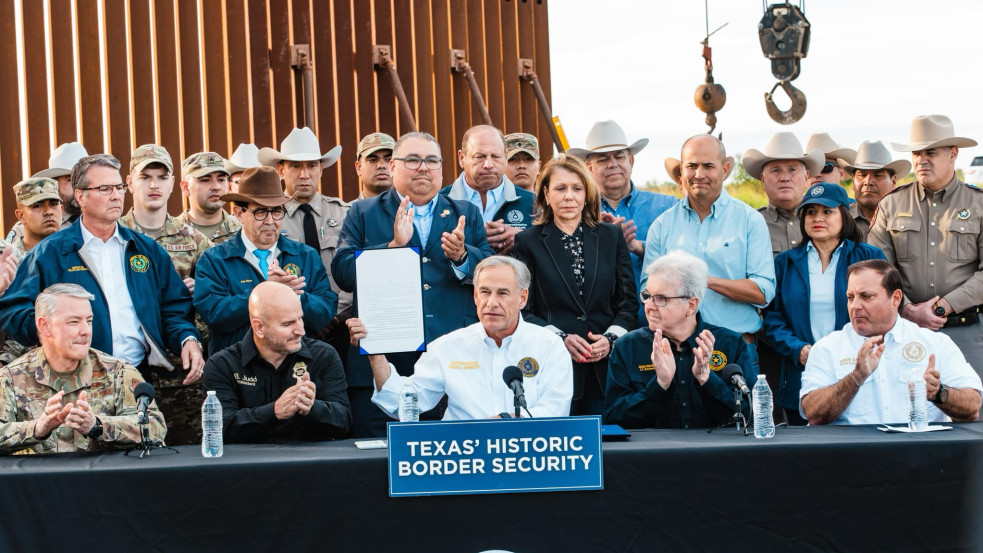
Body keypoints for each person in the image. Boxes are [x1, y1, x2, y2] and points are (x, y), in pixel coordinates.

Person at [332, 131, 494, 437]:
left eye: (432, 160)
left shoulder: (465, 213)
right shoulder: (363, 212)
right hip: (382, 362)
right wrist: (393, 247)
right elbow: (342, 272)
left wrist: (461, 256)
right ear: (393, 166)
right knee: (377, 466)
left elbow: (490, 272)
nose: (423, 168)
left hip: (452, 363)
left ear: (442, 169)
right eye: (413, 160)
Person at [0, 154, 204, 383]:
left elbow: (173, 309)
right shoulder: (50, 252)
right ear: (81, 196)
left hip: (137, 377)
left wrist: (188, 339)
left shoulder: (146, 250)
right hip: (71, 381)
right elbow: (14, 309)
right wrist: (49, 331)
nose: (116, 196)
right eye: (105, 189)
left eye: (119, 187)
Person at [349, 256, 572, 420]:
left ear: (522, 298)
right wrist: (375, 355)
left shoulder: (548, 345)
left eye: (502, 293)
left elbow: (555, 409)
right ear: (475, 295)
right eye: (484, 292)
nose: (491, 302)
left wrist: (507, 421)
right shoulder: (448, 346)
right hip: (464, 460)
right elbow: (407, 404)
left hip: (528, 458)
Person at [511, 153, 637, 415]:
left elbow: (628, 304)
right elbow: (523, 310)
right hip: (552, 370)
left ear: (587, 194)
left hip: (607, 373)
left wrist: (611, 338)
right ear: (545, 194)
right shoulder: (528, 242)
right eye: (560, 188)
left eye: (577, 188)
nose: (569, 196)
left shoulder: (611, 236)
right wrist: (561, 339)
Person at [868, 114, 983, 377]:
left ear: (952, 154)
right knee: (906, 409)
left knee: (971, 410)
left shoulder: (978, 204)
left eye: (930, 152)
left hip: (966, 330)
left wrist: (943, 306)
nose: (921, 160)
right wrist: (907, 308)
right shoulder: (891, 204)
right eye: (916, 153)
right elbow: (877, 269)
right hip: (905, 330)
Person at [800, 260, 982, 425]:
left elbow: (972, 407)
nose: (855, 306)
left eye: (866, 296)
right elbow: (813, 414)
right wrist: (855, 378)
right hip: (851, 456)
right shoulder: (827, 348)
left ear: (895, 298)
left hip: (918, 454)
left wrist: (938, 393)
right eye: (850, 297)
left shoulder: (934, 343)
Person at [762, 183, 886, 425]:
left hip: (856, 365)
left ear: (844, 215)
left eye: (827, 212)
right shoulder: (786, 263)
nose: (818, 218)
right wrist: (797, 349)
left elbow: (884, 311)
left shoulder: (869, 257)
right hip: (803, 368)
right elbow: (773, 317)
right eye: (810, 212)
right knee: (806, 454)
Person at [0, 284, 167, 454]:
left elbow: (155, 429)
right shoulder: (11, 377)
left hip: (102, 479)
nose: (86, 331)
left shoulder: (118, 373)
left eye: (89, 321)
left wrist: (98, 426)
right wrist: (36, 429)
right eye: (74, 322)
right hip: (35, 480)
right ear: (44, 326)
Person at [119, 144, 213, 445]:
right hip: (126, 372)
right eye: (145, 177)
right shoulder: (113, 236)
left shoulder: (194, 240)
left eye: (161, 177)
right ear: (130, 182)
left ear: (173, 183)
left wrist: (199, 293)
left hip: (180, 375)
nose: (154, 185)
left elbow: (215, 304)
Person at [605, 250, 757, 429]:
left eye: (661, 299)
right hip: (651, 454)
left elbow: (749, 418)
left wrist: (706, 379)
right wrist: (660, 385)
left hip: (716, 454)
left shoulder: (730, 344)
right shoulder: (628, 347)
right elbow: (613, 420)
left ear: (691, 305)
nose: (649, 306)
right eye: (647, 296)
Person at [194, 166, 337, 355]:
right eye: (261, 212)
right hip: (237, 370)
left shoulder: (305, 255)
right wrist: (265, 292)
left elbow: (325, 313)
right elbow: (214, 315)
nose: (270, 221)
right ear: (238, 214)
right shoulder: (214, 260)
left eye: (277, 212)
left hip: (295, 366)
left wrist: (296, 296)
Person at [646, 134, 775, 340]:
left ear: (724, 170)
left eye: (708, 166)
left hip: (736, 345)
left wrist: (703, 280)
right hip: (676, 347)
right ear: (682, 170)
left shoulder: (750, 220)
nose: (699, 174)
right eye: (692, 166)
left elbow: (763, 292)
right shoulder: (662, 226)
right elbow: (648, 293)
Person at [202, 281, 350, 443]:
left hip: (310, 463)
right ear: (259, 327)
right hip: (246, 464)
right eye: (287, 324)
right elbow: (217, 429)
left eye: (300, 319)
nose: (300, 330)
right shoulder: (222, 364)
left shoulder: (323, 355)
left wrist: (312, 408)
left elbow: (343, 422)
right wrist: (274, 411)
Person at [568, 120, 677, 324]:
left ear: (631, 161)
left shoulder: (667, 207)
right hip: (599, 331)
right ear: (588, 167)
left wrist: (639, 247)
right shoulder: (574, 214)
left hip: (659, 327)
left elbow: (684, 255)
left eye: (619, 156)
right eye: (603, 159)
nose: (613, 164)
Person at [261, 127, 352, 342]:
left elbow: (355, 270)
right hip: (286, 327)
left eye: (311, 166)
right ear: (280, 170)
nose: (304, 175)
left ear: (321, 168)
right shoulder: (267, 219)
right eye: (295, 166)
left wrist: (333, 315)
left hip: (342, 325)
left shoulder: (344, 214)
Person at [442, 125, 535, 255]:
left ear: (505, 157)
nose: (489, 165)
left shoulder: (533, 203)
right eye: (480, 156)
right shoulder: (439, 202)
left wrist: (525, 238)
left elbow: (552, 255)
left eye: (496, 156)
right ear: (462, 158)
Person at [745, 132, 824, 255]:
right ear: (763, 179)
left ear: (806, 176)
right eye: (776, 170)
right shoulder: (749, 224)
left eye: (792, 170)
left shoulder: (825, 221)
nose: (785, 178)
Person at [7, 141, 87, 244]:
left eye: (84, 180)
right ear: (55, 185)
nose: (79, 187)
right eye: (70, 180)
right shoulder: (26, 229)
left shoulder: (106, 221)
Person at [839, 140, 910, 241]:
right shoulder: (839, 220)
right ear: (853, 181)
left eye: (878, 175)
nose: (868, 181)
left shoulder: (907, 219)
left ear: (893, 182)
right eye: (862, 175)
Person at [175, 152, 241, 244]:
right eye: (205, 180)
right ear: (185, 187)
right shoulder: (168, 233)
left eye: (221, 180)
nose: (216, 187)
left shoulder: (244, 232)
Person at [10, 177, 62, 255]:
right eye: (37, 206)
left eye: (54, 204)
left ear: (61, 209)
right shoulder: (7, 260)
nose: (48, 212)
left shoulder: (77, 253)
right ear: (21, 216)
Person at [354, 132, 395, 199]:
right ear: (359, 168)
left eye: (388, 159)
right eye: (372, 160)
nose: (381, 165)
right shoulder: (349, 209)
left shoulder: (412, 208)